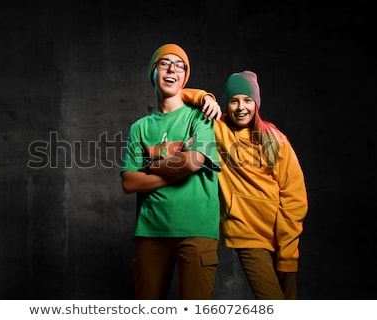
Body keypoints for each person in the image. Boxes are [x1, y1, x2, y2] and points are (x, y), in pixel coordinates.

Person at [182, 70, 308, 299]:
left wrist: (287, 251)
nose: (241, 107)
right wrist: (205, 97)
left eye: (247, 100)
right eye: (234, 101)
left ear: (256, 104)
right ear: (226, 104)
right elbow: (177, 95)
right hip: (248, 234)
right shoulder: (218, 130)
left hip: (283, 237)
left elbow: (294, 196)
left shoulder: (275, 139)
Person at [120, 43, 221, 300]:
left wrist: (151, 163)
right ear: (153, 72)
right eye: (165, 63)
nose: (172, 68)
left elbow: (193, 162)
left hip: (197, 228)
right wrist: (176, 161)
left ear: (184, 77)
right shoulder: (139, 128)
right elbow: (129, 182)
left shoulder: (201, 116)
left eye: (179, 65)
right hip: (151, 230)